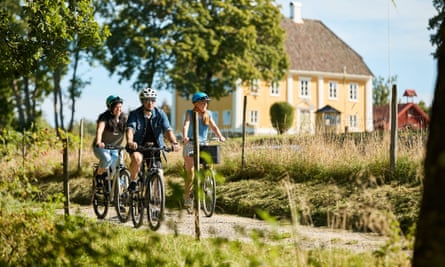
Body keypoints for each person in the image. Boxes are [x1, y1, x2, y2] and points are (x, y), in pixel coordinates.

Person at [126, 87, 180, 191]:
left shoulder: (160, 114)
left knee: (158, 172)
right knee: (137, 159)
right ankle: (133, 181)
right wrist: (130, 141)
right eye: (147, 100)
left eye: (153, 100)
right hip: (139, 146)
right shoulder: (135, 114)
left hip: (155, 148)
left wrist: (174, 142)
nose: (150, 103)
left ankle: (155, 201)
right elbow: (130, 129)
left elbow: (167, 130)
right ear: (142, 101)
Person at [182, 92, 226, 208]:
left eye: (206, 102)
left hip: (203, 143)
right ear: (195, 103)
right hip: (190, 143)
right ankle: (187, 198)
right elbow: (186, 125)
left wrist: (220, 136)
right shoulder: (190, 113)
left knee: (209, 164)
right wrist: (185, 136)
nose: (205, 104)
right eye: (202, 102)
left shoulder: (208, 114)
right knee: (190, 172)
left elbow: (214, 127)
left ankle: (206, 181)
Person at [93, 95, 126, 187]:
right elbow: (100, 130)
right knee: (107, 159)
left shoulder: (124, 118)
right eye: (116, 107)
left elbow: (130, 131)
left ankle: (118, 190)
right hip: (102, 147)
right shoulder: (104, 117)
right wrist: (99, 142)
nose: (119, 109)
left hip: (116, 148)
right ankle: (99, 176)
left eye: (120, 107)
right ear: (110, 108)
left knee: (119, 167)